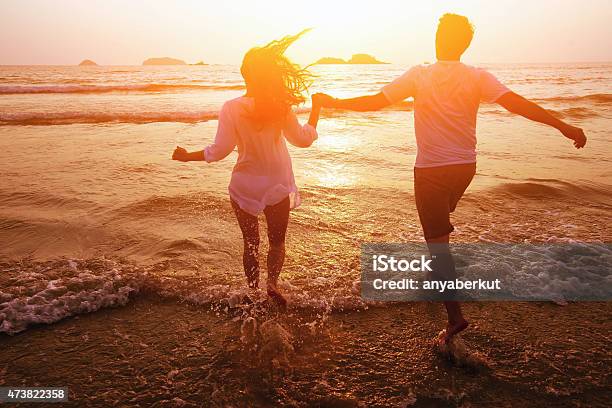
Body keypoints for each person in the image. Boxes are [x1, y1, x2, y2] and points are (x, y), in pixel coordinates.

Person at [316, 13, 587, 344]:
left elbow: (374, 102)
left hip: (430, 171)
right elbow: (517, 104)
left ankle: (455, 317)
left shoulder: (419, 75)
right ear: (464, 44)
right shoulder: (477, 76)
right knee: (440, 230)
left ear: (437, 38)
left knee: (437, 245)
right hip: (465, 169)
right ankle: (438, 267)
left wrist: (334, 103)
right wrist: (563, 125)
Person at [172, 30, 323, 307]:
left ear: (245, 73)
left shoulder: (231, 108)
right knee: (276, 243)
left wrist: (186, 157)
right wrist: (317, 110)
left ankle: (253, 293)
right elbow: (302, 141)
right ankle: (273, 285)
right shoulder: (280, 106)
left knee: (251, 243)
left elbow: (219, 152)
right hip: (277, 184)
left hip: (244, 185)